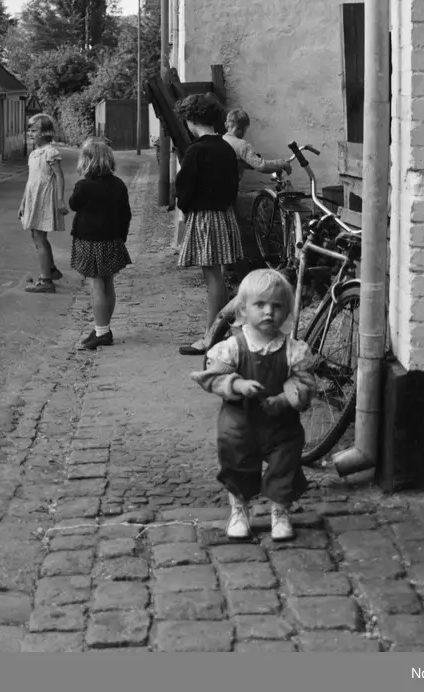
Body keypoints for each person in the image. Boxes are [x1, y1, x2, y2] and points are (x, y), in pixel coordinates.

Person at [190, 268, 316, 540]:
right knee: (237, 461)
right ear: (243, 310)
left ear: (287, 313)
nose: (268, 312)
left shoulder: (293, 350)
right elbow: (211, 378)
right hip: (240, 422)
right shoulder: (233, 347)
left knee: (285, 463)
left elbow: (306, 383)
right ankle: (239, 509)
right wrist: (237, 385)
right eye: (260, 304)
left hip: (280, 423)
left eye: (277, 306)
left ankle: (280, 511)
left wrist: (285, 397)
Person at [174, 93, 243, 352]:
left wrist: (184, 205)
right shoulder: (226, 147)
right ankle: (220, 332)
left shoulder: (196, 150)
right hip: (224, 215)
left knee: (212, 276)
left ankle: (210, 337)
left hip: (205, 218)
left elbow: (184, 188)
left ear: (191, 120)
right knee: (219, 276)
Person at [69, 136, 131, 350]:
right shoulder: (118, 185)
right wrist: (122, 237)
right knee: (108, 283)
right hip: (112, 239)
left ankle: (102, 332)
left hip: (90, 241)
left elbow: (73, 204)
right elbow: (126, 214)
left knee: (96, 285)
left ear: (86, 161)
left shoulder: (84, 186)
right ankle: (102, 327)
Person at [19, 113, 67, 293]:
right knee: (36, 236)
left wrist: (61, 199)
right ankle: (51, 269)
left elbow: (59, 177)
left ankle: (46, 280)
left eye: (34, 130)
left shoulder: (50, 152)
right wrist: (23, 203)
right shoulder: (33, 154)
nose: (30, 133)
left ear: (46, 132)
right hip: (33, 198)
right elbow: (30, 181)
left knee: (40, 238)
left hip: (44, 198)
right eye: (29, 130)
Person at [223, 110, 293, 177]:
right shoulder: (242, 145)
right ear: (244, 129)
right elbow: (261, 166)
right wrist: (280, 164)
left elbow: (232, 163)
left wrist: (247, 163)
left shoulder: (221, 140)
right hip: (231, 186)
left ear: (226, 125)